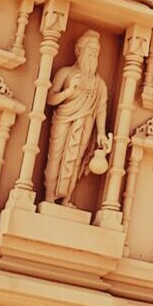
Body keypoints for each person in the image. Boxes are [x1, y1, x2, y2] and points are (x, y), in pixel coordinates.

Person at [42, 30, 112, 205]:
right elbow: (50, 99)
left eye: (97, 52)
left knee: (75, 160)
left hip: (85, 124)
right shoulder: (65, 73)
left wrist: (102, 133)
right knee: (57, 156)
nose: (94, 54)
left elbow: (101, 110)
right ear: (79, 51)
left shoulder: (100, 84)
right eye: (91, 50)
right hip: (63, 120)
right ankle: (49, 197)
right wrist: (69, 92)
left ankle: (67, 199)